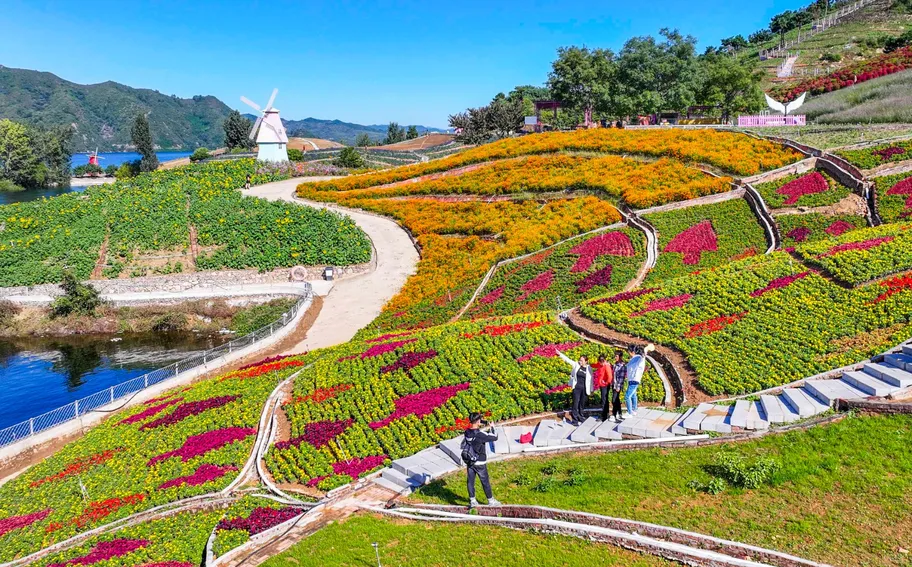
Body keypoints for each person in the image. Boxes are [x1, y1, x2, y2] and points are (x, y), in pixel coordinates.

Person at [463, 412, 501, 508]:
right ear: (478, 421)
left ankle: (472, 500)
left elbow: (474, 432)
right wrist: (492, 427)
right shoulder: (480, 434)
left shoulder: (467, 432)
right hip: (480, 461)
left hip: (470, 460)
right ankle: (491, 501)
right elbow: (495, 437)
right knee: (485, 481)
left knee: (470, 481)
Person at [556, 349, 593, 425]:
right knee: (575, 404)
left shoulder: (589, 368)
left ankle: (580, 416)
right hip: (577, 388)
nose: (580, 362)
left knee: (581, 404)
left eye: (582, 361)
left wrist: (591, 389)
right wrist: (560, 354)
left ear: (586, 361)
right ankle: (575, 420)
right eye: (580, 360)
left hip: (585, 389)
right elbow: (568, 360)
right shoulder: (576, 365)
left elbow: (591, 379)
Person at [624, 344, 654, 417]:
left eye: (628, 351)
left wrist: (646, 348)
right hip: (631, 379)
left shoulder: (639, 358)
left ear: (631, 351)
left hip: (634, 380)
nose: (628, 353)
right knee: (633, 395)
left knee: (627, 396)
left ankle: (630, 412)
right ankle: (634, 409)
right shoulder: (633, 359)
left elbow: (643, 355)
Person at [594, 355, 614, 421]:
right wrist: (589, 365)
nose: (601, 363)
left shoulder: (606, 366)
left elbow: (610, 377)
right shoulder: (600, 364)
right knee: (604, 400)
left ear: (604, 360)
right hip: (601, 385)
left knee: (604, 400)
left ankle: (604, 416)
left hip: (604, 385)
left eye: (602, 361)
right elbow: (595, 365)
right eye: (600, 362)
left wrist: (606, 383)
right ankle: (606, 413)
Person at [610, 350, 627, 422]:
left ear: (620, 357)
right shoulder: (615, 364)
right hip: (614, 384)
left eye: (616, 356)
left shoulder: (622, 366)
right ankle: (619, 413)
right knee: (616, 399)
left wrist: (618, 386)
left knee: (614, 399)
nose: (615, 357)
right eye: (615, 355)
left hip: (618, 385)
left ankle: (614, 414)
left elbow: (621, 377)